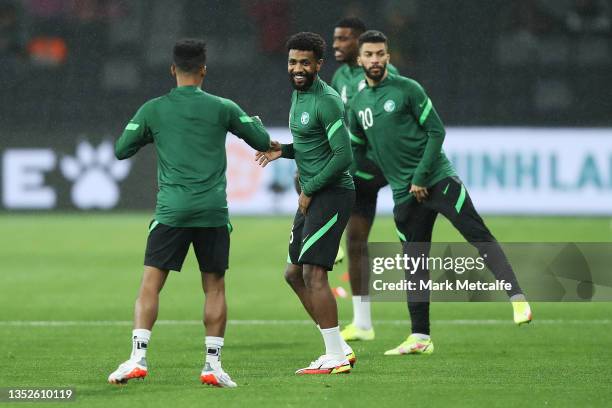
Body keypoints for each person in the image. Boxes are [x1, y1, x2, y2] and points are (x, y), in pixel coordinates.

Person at [348, 30, 532, 356]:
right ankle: (420, 337)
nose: (375, 60)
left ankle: (517, 299)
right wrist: (354, 178)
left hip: (438, 181)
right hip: (405, 195)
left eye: (380, 54)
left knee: (478, 235)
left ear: (388, 56)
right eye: (369, 55)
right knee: (414, 264)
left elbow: (436, 130)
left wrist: (419, 176)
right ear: (359, 59)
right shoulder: (358, 102)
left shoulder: (407, 89)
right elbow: (360, 150)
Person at [108, 39, 271, 387]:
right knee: (214, 287)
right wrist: (252, 121)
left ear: (172, 70)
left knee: (151, 284)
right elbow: (260, 139)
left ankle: (138, 358)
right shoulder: (223, 107)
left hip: (172, 212)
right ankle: (212, 365)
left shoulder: (154, 109)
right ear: (203, 70)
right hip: (212, 211)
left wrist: (152, 134)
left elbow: (122, 149)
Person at [255, 32, 356, 375]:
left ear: (319, 65)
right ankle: (339, 346)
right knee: (293, 274)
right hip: (312, 194)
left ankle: (335, 356)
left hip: (332, 194)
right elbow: (312, 145)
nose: (297, 68)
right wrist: (283, 150)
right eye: (292, 62)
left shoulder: (326, 100)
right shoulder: (299, 96)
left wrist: (309, 188)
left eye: (304, 62)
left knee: (314, 273)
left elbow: (344, 155)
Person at [330, 17, 399, 343]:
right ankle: (363, 323)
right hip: (356, 168)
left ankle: (326, 239)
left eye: (343, 39)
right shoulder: (340, 76)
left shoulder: (385, 76)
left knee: (315, 181)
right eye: (336, 38)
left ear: (359, 43)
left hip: (379, 165)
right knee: (356, 241)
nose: (336, 45)